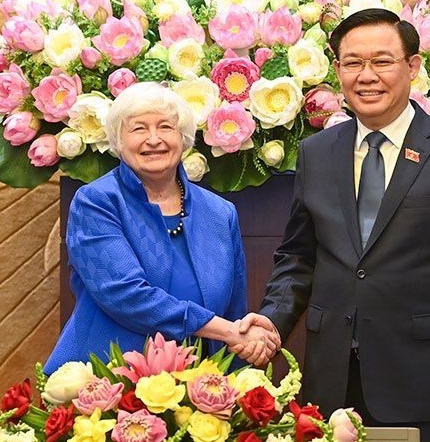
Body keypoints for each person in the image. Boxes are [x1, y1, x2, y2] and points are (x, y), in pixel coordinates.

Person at [236, 8, 430, 441]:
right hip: (332, 379)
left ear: (413, 67)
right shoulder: (317, 152)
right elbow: (298, 258)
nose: (367, 76)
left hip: (424, 381)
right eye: (353, 63)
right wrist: (272, 321)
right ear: (337, 69)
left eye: (382, 62)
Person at [45, 82, 278, 373]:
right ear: (118, 140)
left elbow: (234, 312)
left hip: (197, 388)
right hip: (109, 383)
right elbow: (128, 295)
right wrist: (228, 330)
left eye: (165, 127)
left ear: (183, 138)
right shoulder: (96, 203)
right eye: (138, 129)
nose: (153, 139)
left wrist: (245, 347)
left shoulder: (220, 212)